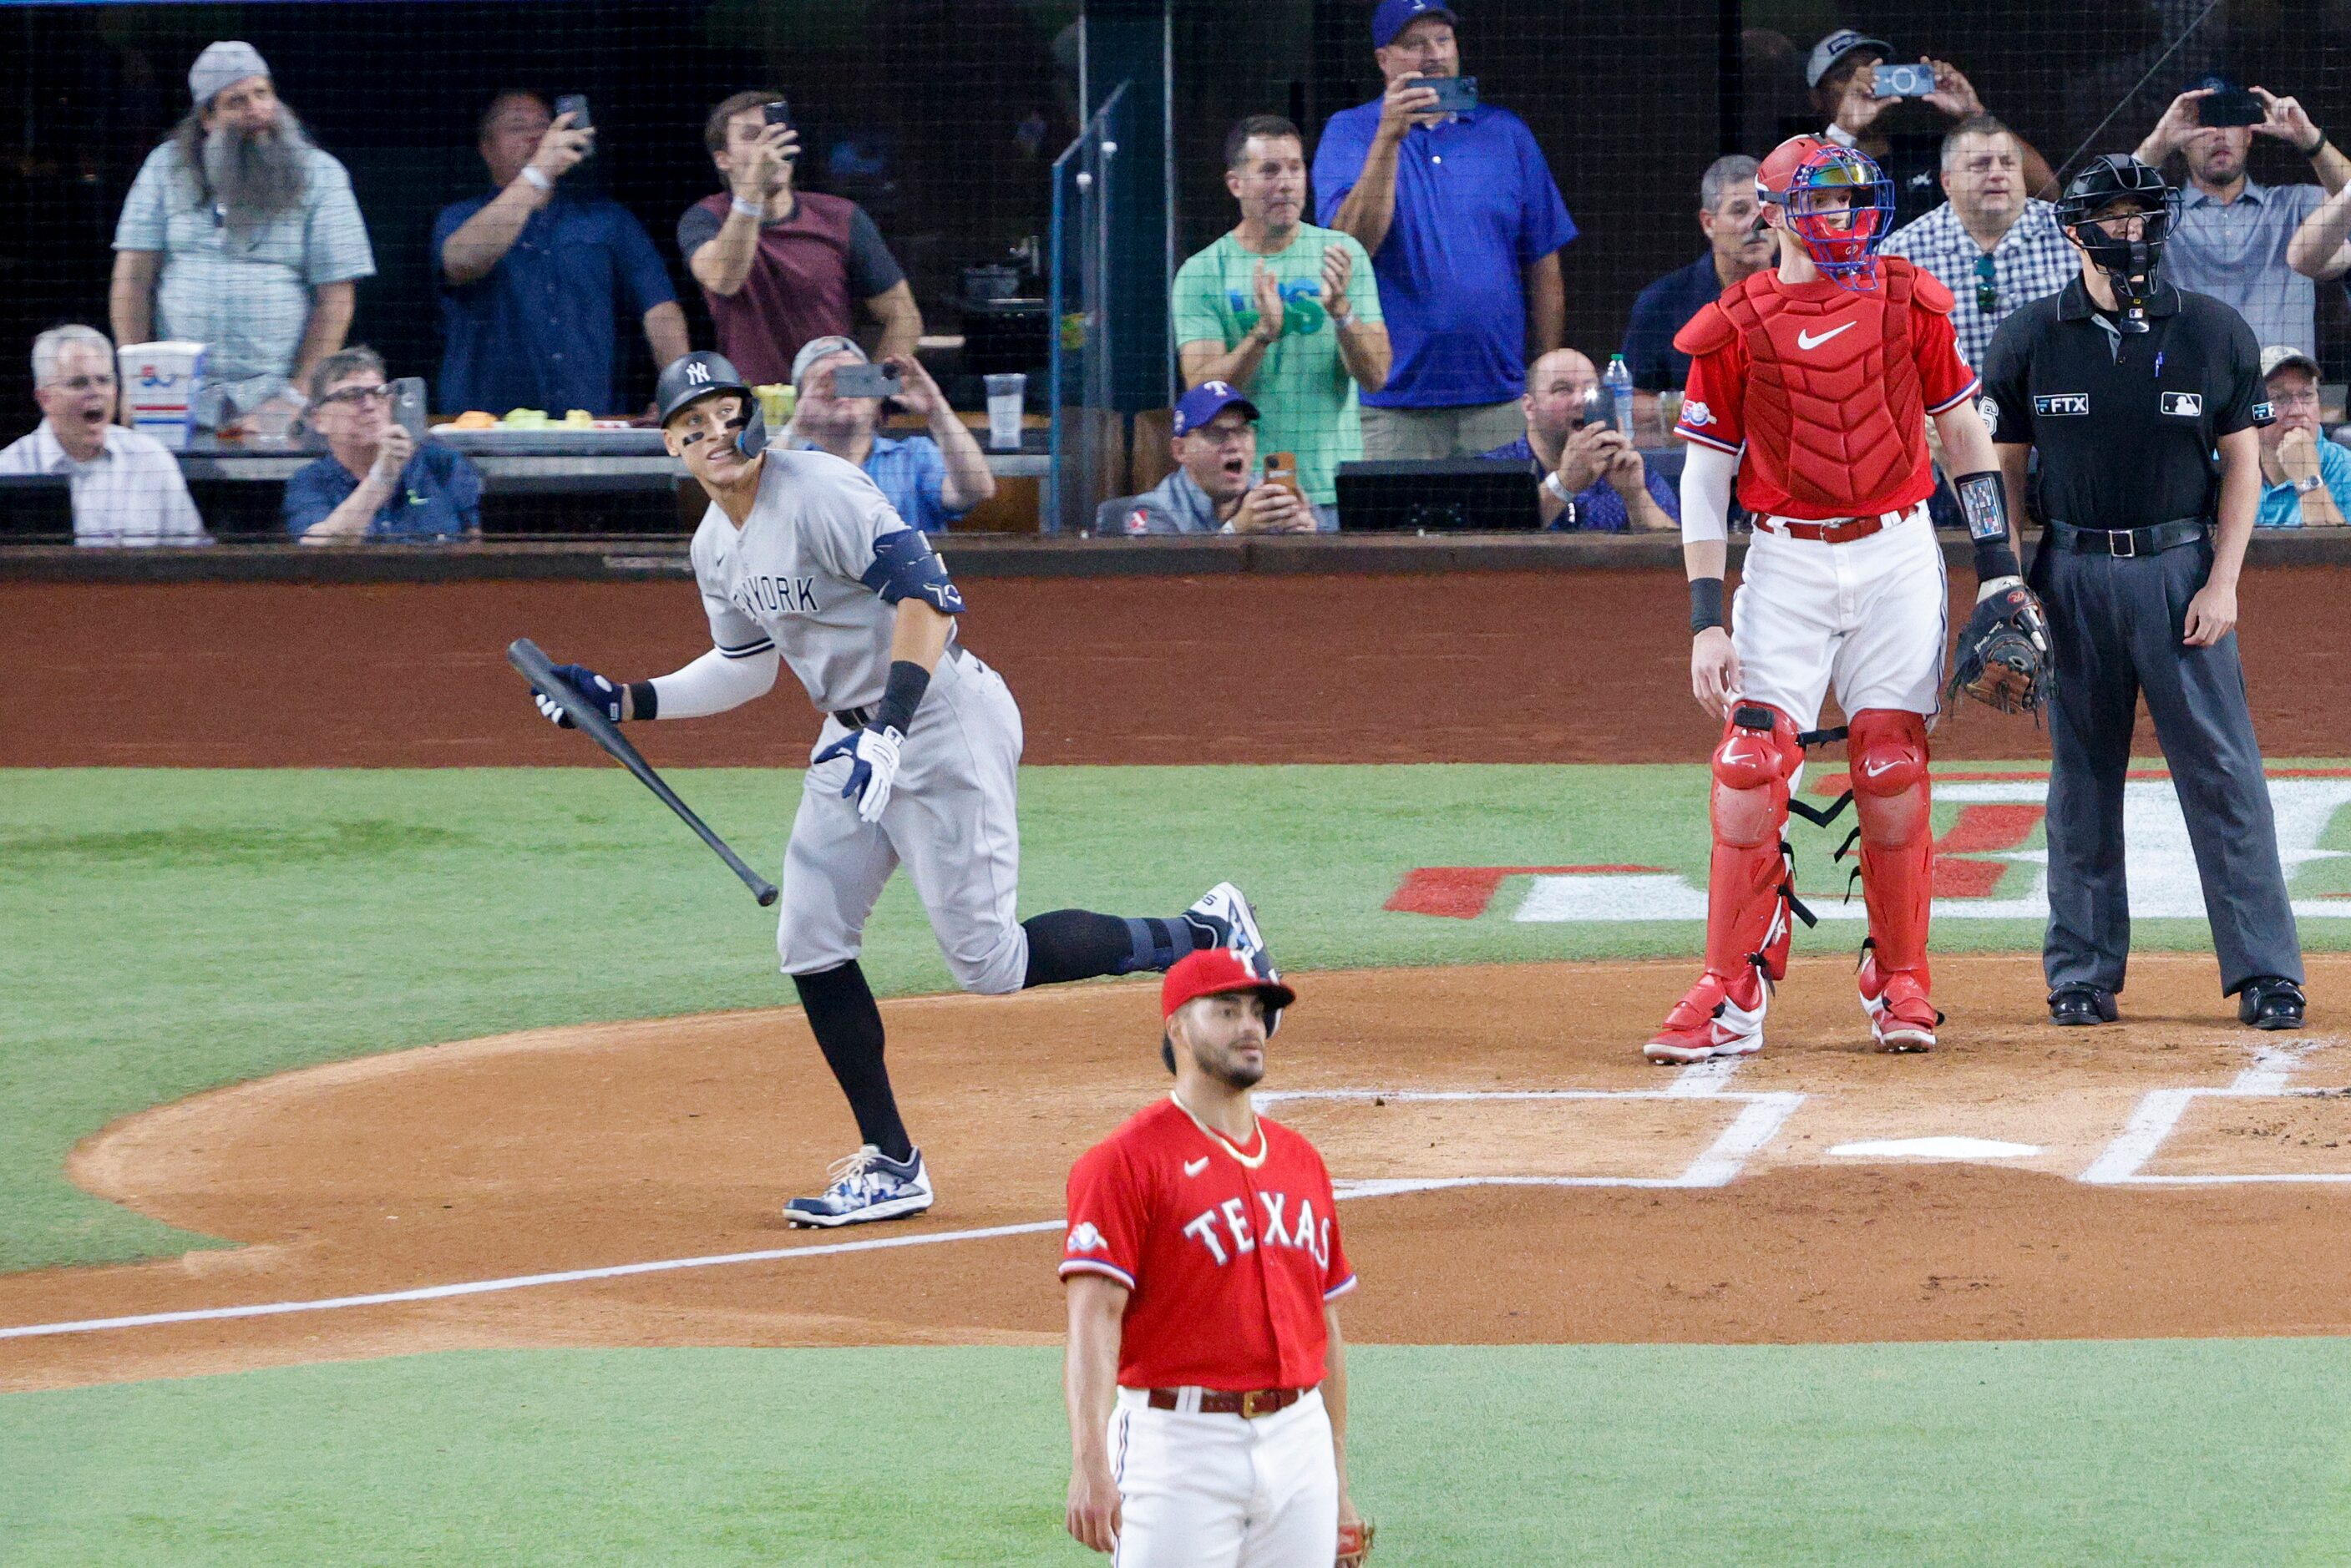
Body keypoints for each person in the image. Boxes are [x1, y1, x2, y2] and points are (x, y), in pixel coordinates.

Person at [529, 350, 1274, 1225]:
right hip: (852, 742)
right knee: (808, 939)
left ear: (752, 416)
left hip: (940, 721)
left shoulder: (822, 493)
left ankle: (1199, 932)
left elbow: (929, 602)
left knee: (988, 963)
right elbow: (744, 667)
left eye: (724, 415)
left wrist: (889, 729)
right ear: (671, 448)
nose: (712, 436)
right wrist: (623, 700)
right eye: (690, 428)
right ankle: (891, 1161)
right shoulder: (713, 546)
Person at [1650, 135, 2000, 1064]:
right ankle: (1734, 983)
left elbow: (1962, 430)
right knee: (1748, 765)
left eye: (1851, 198)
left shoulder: (1908, 297)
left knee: (1890, 766)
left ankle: (1901, 977)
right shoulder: (1731, 324)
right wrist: (1704, 615)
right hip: (1784, 562)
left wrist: (1998, 565)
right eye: (1821, 199)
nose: (1842, 217)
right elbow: (1702, 478)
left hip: (1895, 553)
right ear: (1772, 213)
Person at [1982, 155, 2308, 1030]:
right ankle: (2081, 974)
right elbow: (2002, 475)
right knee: (2080, 779)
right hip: (2069, 574)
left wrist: (2225, 582)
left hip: (2179, 572)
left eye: (2141, 217)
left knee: (2223, 775)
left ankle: (2267, 972)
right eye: (2110, 218)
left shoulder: (2212, 329)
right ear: (2071, 228)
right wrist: (2007, 584)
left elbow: (2240, 466)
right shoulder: (2027, 336)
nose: (2128, 234)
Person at [1061, 947, 1366, 1565]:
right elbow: (1093, 1320)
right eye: (1225, 1011)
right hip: (1178, 1447)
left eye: (1256, 1011)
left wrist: (1337, 1483)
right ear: (1176, 1027)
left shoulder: (1300, 1161)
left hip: (1298, 1438)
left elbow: (1323, 1325)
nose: (1250, 1026)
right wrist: (1090, 1461)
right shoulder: (1123, 1162)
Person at [1312, 0, 1577, 458]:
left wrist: (1542, 371)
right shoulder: (1349, 132)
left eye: (1442, 39)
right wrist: (1388, 138)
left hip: (1500, 399)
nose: (1433, 54)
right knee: (1390, 532)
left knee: (1505, 531)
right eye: (1414, 44)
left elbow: (1543, 263)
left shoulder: (1505, 132)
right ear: (1384, 60)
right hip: (1391, 404)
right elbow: (1351, 247)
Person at [109, 42, 375, 434]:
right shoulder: (164, 167)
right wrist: (135, 384)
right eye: (237, 101)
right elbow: (131, 280)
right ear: (207, 117)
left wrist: (297, 396)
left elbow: (336, 297)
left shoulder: (322, 175)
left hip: (276, 399)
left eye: (262, 94)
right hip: (171, 394)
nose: (257, 110)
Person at [1174, 115, 1388, 518]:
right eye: (1269, 171)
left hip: (1331, 487)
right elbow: (1202, 392)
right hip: (1243, 491)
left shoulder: (1343, 254)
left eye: (1295, 167)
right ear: (1236, 184)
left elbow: (1377, 377)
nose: (1286, 183)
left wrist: (1341, 312)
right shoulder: (1202, 272)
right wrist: (1262, 335)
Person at [433, 91, 690, 417]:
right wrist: (538, 172)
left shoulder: (607, 219)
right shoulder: (458, 218)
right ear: (486, 149)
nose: (536, 136)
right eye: (516, 127)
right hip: (485, 428)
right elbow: (462, 261)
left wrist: (681, 393)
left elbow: (659, 308)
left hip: (590, 423)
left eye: (544, 125)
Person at [677, 91, 920, 388]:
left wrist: (867, 391)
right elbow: (724, 279)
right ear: (723, 159)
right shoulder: (704, 218)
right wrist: (753, 187)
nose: (769, 146)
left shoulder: (841, 217)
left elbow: (903, 315)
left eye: (776, 134)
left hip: (833, 417)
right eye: (753, 136)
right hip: (751, 415)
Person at [2133, 81, 2349, 360]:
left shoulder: (2294, 205)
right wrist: (2157, 144)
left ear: (2249, 135)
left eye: (2231, 120)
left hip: (2284, 393)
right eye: (2206, 122)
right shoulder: (2161, 215)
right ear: (2182, 141)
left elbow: (2349, 194)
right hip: (2195, 394)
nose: (2219, 135)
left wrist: (2310, 140)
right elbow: (2095, 216)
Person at [1806, 29, 2055, 230]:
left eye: (1875, 70)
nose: (1863, 81)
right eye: (1846, 75)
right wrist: (1845, 128)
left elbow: (2047, 193)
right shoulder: (1805, 154)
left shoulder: (1930, 151)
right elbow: (1800, 214)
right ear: (1815, 98)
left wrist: (1974, 114)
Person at [1882, 117, 2079, 367]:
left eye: (2007, 163)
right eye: (1980, 165)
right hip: (1952, 406)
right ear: (1947, 182)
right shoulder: (1902, 254)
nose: (1997, 174)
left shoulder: (2071, 234)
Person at [0, 326, 206, 547]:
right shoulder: (10, 468)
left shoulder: (151, 458)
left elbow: (193, 560)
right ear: (45, 399)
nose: (95, 392)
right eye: (79, 383)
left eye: (104, 380)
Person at [787, 335, 994, 534]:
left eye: (853, 379)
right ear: (802, 403)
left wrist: (936, 409)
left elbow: (977, 489)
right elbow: (754, 500)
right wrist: (795, 429)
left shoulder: (913, 457)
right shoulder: (790, 469)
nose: (843, 393)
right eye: (825, 385)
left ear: (875, 397)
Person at [283, 347, 481, 544]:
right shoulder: (310, 481)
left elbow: (476, 547)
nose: (369, 405)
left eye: (379, 393)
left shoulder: (441, 463)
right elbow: (318, 551)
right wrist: (382, 476)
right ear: (320, 420)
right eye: (352, 395)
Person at [1620, 155, 1772, 392]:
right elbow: (1632, 401)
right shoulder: (1660, 304)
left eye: (1765, 209)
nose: (1756, 223)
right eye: (1740, 211)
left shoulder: (1807, 289)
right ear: (1709, 224)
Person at [1482, 348, 1676, 531]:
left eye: (1589, 390)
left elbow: (1676, 555)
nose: (1579, 400)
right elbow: (1479, 548)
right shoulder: (1495, 470)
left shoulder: (1631, 468)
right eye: (1562, 390)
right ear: (1529, 407)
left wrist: (1635, 496)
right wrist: (1563, 484)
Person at [1093, 382, 1317, 536]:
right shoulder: (1152, 511)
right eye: (1216, 433)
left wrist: (1305, 541)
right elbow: (1167, 591)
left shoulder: (1271, 498)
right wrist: (1236, 529)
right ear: (1180, 450)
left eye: (1242, 432)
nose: (1234, 445)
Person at [2253, 344, 2351, 527]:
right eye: (2279, 398)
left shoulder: (2345, 469)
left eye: (2307, 395)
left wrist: (2308, 477)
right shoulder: (2227, 465)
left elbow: (2338, 554)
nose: (2298, 411)